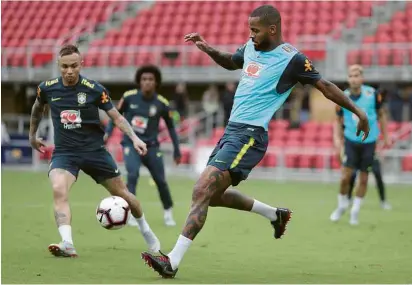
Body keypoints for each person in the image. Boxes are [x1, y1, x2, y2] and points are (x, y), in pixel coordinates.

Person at [142, 5, 370, 278]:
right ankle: (275, 214)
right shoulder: (251, 47)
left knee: (202, 189)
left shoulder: (293, 59)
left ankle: (172, 261)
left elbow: (326, 86)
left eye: (255, 30)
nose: (250, 35)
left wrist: (357, 112)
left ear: (272, 29)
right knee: (211, 197)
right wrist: (207, 48)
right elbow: (231, 61)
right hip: (231, 132)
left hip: (251, 136)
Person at [28, 44, 160, 257]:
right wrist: (32, 135)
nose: (69, 71)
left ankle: (146, 231)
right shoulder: (47, 88)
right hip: (65, 153)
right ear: (58, 66)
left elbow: (116, 116)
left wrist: (134, 138)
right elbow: (37, 108)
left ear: (82, 64)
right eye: (64, 67)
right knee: (58, 189)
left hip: (94, 152)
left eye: (73, 66)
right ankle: (67, 243)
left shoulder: (94, 89)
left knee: (123, 194)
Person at [104, 65, 181, 227]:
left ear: (156, 82)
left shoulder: (162, 103)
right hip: (131, 144)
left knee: (160, 180)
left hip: (152, 146)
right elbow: (114, 117)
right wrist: (107, 135)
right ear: (139, 81)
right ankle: (131, 213)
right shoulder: (129, 97)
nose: (147, 82)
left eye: (150, 79)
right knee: (132, 175)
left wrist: (177, 150)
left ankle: (168, 212)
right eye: (144, 79)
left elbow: (171, 128)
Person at [331, 64, 390, 226]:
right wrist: (337, 139)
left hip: (369, 142)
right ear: (348, 79)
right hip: (350, 141)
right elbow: (337, 119)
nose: (354, 78)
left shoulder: (373, 94)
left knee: (363, 179)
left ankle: (355, 211)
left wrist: (386, 136)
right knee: (345, 177)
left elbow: (381, 115)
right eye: (351, 75)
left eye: (357, 75)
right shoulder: (342, 96)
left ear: (362, 78)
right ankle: (342, 205)